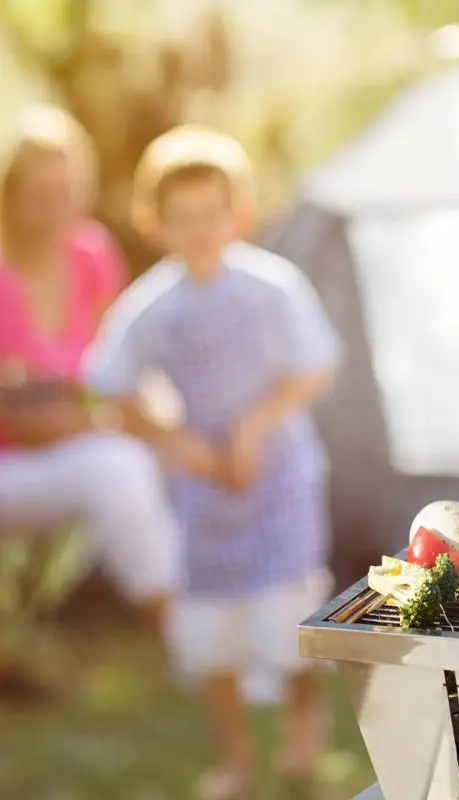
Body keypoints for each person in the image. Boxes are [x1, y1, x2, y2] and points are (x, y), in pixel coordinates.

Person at [84, 125, 342, 800]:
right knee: (212, 634)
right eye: (183, 218)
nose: (199, 230)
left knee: (287, 622)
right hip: (204, 492)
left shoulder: (271, 286)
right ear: (155, 223)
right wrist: (175, 441)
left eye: (212, 213)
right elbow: (107, 388)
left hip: (279, 479)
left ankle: (302, 727)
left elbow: (315, 365)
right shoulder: (152, 306)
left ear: (240, 214)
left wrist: (255, 426)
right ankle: (234, 758)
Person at [0, 103, 179, 627]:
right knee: (117, 467)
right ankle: (177, 623)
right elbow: (21, 419)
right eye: (40, 193)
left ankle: (228, 595)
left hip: (82, 435)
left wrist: (153, 423)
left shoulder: (91, 253)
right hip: (15, 461)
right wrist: (103, 418)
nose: (55, 207)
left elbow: (121, 364)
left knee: (180, 435)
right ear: (10, 194)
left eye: (66, 192)